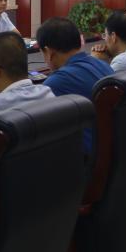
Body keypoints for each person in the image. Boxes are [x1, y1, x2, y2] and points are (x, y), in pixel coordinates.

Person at [36, 17, 113, 152]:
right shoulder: (104, 65)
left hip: (89, 158)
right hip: (115, 150)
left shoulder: (55, 83)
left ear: (48, 52)